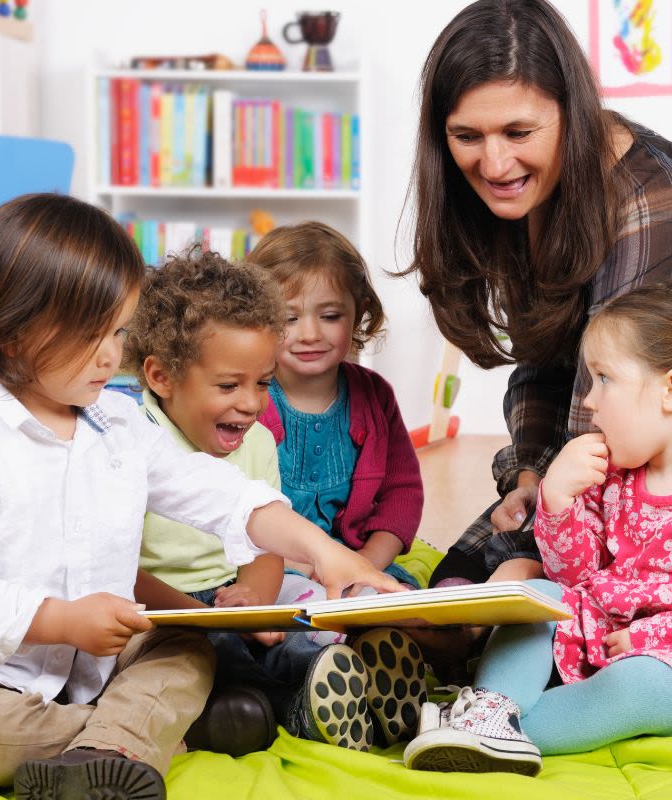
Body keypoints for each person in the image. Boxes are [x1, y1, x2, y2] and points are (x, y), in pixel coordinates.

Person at [0, 194, 401, 799]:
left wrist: (322, 549)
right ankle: (147, 739)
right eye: (89, 335)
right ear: (10, 334)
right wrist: (61, 621)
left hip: (100, 664)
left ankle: (109, 749)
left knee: (185, 646)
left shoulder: (119, 426)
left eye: (118, 331)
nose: (111, 354)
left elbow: (216, 493)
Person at [402, 0, 672, 592]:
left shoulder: (648, 202)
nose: (494, 164)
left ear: (571, 113)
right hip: (585, 466)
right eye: (466, 137)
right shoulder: (530, 192)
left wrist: (526, 530)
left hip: (643, 488)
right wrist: (526, 476)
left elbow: (605, 421)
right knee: (450, 591)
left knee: (478, 598)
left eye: (519, 133)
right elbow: (542, 365)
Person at [403, 283, 672, 776]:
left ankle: (499, 734)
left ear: (668, 391)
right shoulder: (609, 474)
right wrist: (557, 499)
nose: (588, 401)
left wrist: (650, 638)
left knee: (643, 686)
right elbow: (574, 574)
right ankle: (488, 707)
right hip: (595, 630)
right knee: (537, 593)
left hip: (657, 658)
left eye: (605, 379)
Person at [121, 249, 323, 756]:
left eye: (263, 384)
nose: (252, 403)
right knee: (196, 655)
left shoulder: (257, 442)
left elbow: (266, 548)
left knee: (305, 615)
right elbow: (115, 568)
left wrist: (252, 600)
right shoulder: (126, 439)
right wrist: (205, 617)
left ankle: (326, 679)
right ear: (161, 376)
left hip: (233, 597)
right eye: (230, 385)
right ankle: (281, 706)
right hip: (160, 608)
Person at [248, 221, 428, 750]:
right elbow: (236, 508)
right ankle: (323, 680)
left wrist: (369, 565)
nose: (310, 334)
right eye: (288, 319)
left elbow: (402, 492)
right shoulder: (249, 400)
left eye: (330, 316)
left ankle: (388, 684)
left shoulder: (372, 394)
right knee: (286, 624)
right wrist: (310, 566)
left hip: (357, 561)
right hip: (276, 567)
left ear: (358, 316)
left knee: (412, 609)